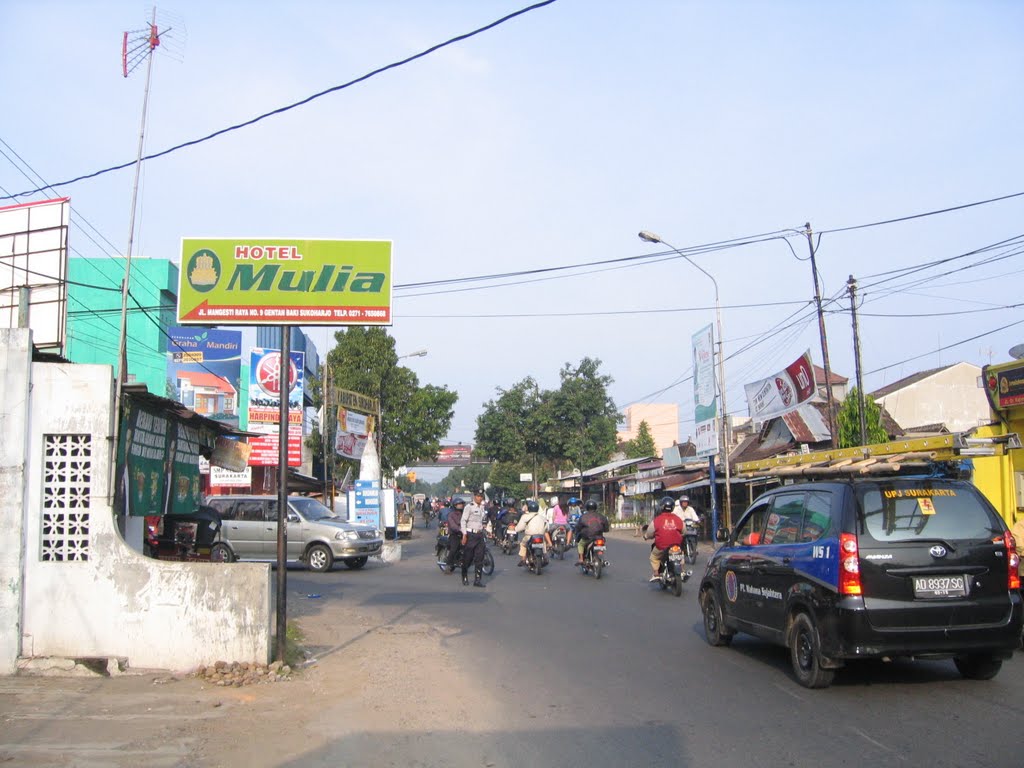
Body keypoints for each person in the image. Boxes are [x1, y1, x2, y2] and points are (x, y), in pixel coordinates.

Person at [643, 496, 684, 582]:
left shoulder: (657, 520)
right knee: (680, 555)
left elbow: (650, 533)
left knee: (654, 557)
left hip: (661, 547)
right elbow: (684, 531)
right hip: (676, 545)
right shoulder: (678, 519)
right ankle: (682, 571)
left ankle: (656, 573)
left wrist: (646, 536)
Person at [460, 489, 488, 587]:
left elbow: (483, 521)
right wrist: (464, 534)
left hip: (480, 535)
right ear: (474, 497)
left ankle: (477, 580)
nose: (480, 498)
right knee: (468, 558)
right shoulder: (469, 507)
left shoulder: (482, 508)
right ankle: (464, 576)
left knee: (480, 558)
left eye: (481, 496)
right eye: (478, 496)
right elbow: (463, 521)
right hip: (470, 535)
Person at [575, 500, 610, 567]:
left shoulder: (583, 517)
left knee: (580, 544)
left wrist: (577, 532)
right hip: (599, 537)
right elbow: (606, 528)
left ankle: (581, 559)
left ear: (587, 507)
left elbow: (578, 527)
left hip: (587, 538)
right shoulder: (601, 516)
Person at [516, 499, 550, 566]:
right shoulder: (542, 517)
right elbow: (547, 527)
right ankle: (545, 556)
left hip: (529, 536)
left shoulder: (525, 516)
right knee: (543, 545)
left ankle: (523, 559)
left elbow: (519, 528)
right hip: (540, 536)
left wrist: (518, 530)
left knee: (523, 544)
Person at [444, 497, 465, 575]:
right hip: (454, 534)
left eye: (461, 504)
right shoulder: (451, 514)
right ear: (455, 505)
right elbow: (452, 525)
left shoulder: (464, 513)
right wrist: (459, 529)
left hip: (464, 533)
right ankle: (448, 566)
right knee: (454, 549)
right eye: (459, 504)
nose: (461, 505)